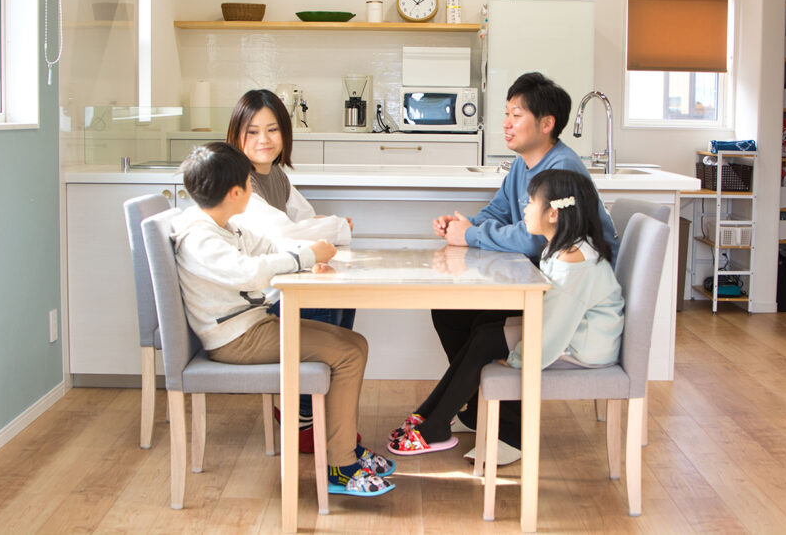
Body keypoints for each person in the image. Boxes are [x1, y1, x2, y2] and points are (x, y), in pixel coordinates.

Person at [171, 142, 395, 497]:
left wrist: (307, 258)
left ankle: (342, 447)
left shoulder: (223, 225)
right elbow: (248, 271)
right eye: (248, 183)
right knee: (349, 354)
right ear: (235, 193)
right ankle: (341, 463)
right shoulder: (200, 237)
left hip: (251, 326)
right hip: (236, 339)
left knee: (355, 344)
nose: (252, 189)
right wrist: (306, 256)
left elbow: (268, 247)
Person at [428, 72, 620, 458]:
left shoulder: (562, 169)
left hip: (567, 288)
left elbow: (536, 238)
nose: (506, 123)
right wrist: (463, 226)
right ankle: (477, 407)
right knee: (449, 310)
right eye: (506, 114)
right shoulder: (522, 164)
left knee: (487, 326)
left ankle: (509, 432)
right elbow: (498, 211)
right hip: (541, 276)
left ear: (546, 124)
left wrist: (471, 236)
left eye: (516, 115)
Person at [388, 168, 624, 458]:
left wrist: (517, 358)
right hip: (574, 334)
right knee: (485, 328)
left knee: (487, 339)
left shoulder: (573, 262)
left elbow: (554, 329)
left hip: (584, 346)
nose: (525, 210)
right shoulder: (562, 248)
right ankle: (430, 414)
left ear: (553, 213)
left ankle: (435, 424)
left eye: (531, 203)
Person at [226, 89, 355, 451]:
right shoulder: (240, 182)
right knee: (323, 300)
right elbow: (288, 232)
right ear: (236, 135)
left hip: (276, 283)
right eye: (252, 132)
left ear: (285, 133)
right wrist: (335, 226)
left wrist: (321, 229)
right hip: (256, 303)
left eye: (272, 130)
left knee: (343, 295)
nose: (263, 140)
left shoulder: (276, 175)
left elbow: (305, 220)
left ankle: (317, 406)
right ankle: (302, 414)